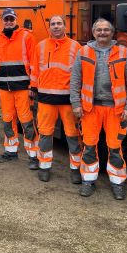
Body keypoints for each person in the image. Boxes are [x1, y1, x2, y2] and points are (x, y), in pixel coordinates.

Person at [70, 18, 127, 200]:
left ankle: (117, 183)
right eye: (99, 30)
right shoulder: (83, 51)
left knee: (115, 147)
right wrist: (75, 104)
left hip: (116, 110)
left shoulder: (123, 52)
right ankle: (88, 181)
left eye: (106, 30)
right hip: (90, 108)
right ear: (93, 33)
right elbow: (75, 80)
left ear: (112, 33)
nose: (102, 33)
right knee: (89, 146)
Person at [30, 15, 82, 183]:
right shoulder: (40, 46)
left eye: (59, 23)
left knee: (73, 135)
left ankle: (76, 169)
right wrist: (33, 88)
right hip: (46, 100)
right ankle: (44, 167)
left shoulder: (75, 47)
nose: (56, 26)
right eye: (53, 24)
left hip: (68, 100)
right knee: (45, 134)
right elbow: (34, 69)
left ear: (65, 26)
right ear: (49, 27)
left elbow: (81, 73)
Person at [0, 8, 39, 168]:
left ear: (16, 20)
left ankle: (33, 155)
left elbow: (34, 64)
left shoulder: (27, 37)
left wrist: (33, 86)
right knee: (7, 120)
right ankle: (11, 151)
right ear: (2, 21)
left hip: (23, 88)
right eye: (6, 19)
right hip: (5, 89)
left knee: (26, 121)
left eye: (11, 19)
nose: (9, 22)